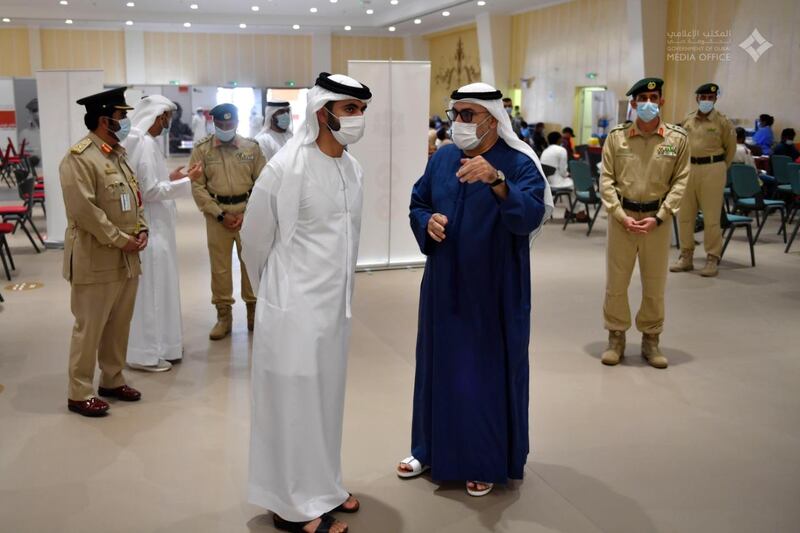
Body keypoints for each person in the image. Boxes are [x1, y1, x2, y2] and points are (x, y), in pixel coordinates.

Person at [397, 82, 553, 498]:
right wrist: (426, 221)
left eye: (468, 115)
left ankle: (483, 459)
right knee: (436, 362)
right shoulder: (444, 157)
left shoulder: (517, 162)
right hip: (444, 282)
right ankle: (427, 448)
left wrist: (497, 180)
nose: (460, 124)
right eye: (455, 115)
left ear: (492, 118)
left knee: (481, 371)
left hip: (493, 288)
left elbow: (530, 216)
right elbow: (418, 201)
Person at [241, 72, 371, 533]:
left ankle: (325, 487)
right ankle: (292, 508)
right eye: (349, 110)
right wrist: (274, 295)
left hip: (334, 310)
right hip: (292, 309)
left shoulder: (351, 168)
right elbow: (253, 240)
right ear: (323, 113)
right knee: (293, 404)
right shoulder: (286, 168)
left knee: (325, 402)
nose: (357, 119)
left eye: (361, 110)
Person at [59, 87, 147, 417]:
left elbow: (135, 198)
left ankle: (112, 378)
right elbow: (85, 211)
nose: (125, 122)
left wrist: (141, 229)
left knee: (118, 324)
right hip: (95, 259)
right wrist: (120, 238)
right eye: (121, 117)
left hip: (126, 257)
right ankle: (79, 392)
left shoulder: (116, 155)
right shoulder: (79, 159)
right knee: (90, 327)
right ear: (103, 119)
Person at [599, 77, 689, 369]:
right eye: (643, 98)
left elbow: (681, 182)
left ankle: (651, 339)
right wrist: (620, 214)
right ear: (634, 103)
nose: (649, 103)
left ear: (661, 101)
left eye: (654, 97)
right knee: (617, 282)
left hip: (657, 222)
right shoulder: (617, 137)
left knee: (654, 283)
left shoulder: (677, 139)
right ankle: (616, 337)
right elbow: (606, 180)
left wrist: (660, 216)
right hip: (622, 219)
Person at [123, 95, 203, 372]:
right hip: (152, 232)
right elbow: (150, 191)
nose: (167, 125)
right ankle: (145, 354)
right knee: (152, 294)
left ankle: (164, 345)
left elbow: (148, 182)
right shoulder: (144, 143)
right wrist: (186, 182)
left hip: (157, 228)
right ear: (156, 117)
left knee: (160, 290)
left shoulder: (144, 143)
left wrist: (173, 178)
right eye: (165, 119)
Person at [190, 103, 266, 340]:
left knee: (250, 264)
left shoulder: (251, 148)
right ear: (214, 123)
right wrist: (219, 214)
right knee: (220, 268)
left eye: (229, 123)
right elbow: (197, 185)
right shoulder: (203, 150)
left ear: (237, 122)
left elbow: (262, 183)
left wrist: (248, 213)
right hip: (217, 217)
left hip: (248, 215)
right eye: (221, 124)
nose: (225, 127)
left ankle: (254, 313)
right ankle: (224, 316)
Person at [670, 83, 735, 278]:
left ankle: (712, 258)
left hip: (712, 169)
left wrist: (721, 167)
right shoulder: (688, 120)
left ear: (715, 99)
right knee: (685, 216)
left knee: (711, 218)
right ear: (697, 98)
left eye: (710, 97)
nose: (706, 100)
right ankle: (686, 256)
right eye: (703, 96)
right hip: (688, 169)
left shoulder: (723, 122)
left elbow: (730, 150)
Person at [18, 98, 41, 166]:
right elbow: (21, 156)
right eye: (34, 110)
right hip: (36, 171)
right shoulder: (24, 134)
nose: (37, 113)